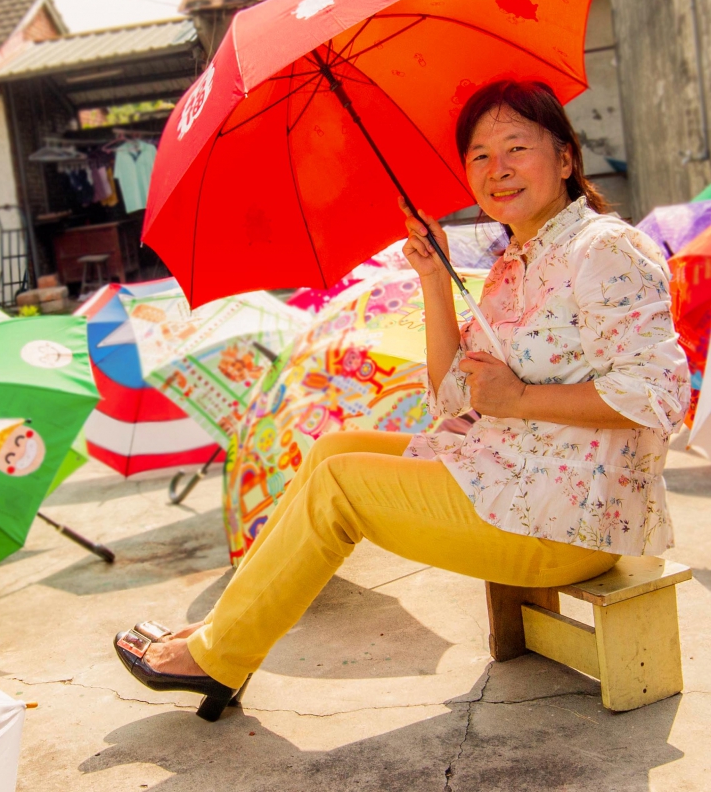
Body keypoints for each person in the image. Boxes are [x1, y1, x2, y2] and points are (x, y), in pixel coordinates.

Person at [113, 79, 691, 721]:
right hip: (513, 476)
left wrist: (522, 397)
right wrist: (434, 278)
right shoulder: (513, 263)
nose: (497, 170)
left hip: (576, 517)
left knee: (342, 486)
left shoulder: (603, 248)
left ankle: (217, 659)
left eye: (516, 147)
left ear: (565, 158)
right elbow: (454, 399)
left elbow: (657, 394)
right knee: (333, 447)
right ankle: (219, 639)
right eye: (478, 156)